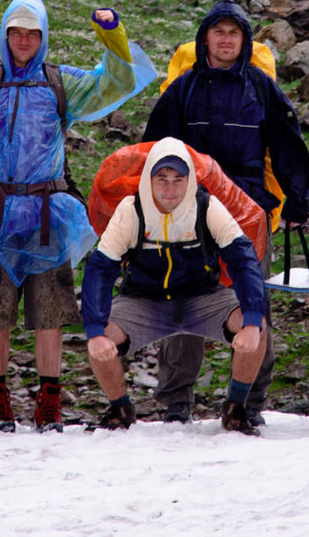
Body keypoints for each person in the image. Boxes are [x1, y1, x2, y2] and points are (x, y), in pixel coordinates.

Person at [0, 0, 156, 431]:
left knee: (51, 315)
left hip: (49, 216)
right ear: (5, 36)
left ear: (43, 37)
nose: (23, 41)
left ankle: (49, 403)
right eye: (15, 33)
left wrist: (113, 35)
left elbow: (117, 83)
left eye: (31, 34)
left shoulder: (60, 83)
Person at [141, 0, 309, 425]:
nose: (225, 39)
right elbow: (152, 150)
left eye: (233, 33)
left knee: (252, 301)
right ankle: (177, 402)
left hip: (247, 209)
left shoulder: (261, 87)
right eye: (218, 32)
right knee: (182, 298)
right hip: (187, 209)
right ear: (205, 39)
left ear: (244, 40)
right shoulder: (183, 89)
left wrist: (297, 197)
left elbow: (289, 142)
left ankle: (248, 402)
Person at [81, 138, 269, 435]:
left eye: (178, 181)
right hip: (144, 301)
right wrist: (93, 330)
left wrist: (253, 320)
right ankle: (120, 408)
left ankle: (236, 408)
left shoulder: (206, 206)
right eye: (162, 180)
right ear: (149, 179)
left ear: (190, 180)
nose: (170, 190)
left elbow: (244, 261)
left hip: (202, 297)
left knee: (256, 325)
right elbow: (99, 270)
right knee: (99, 338)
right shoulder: (131, 211)